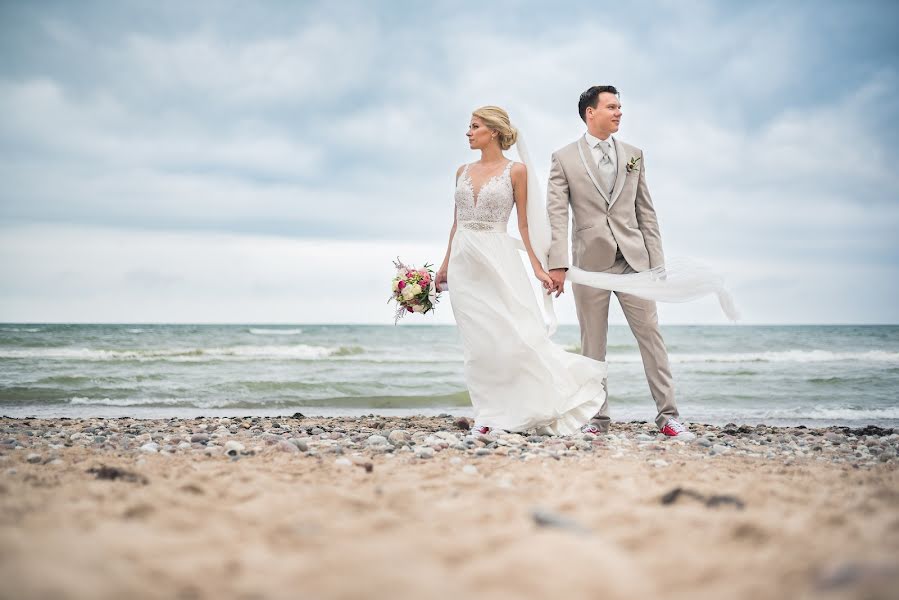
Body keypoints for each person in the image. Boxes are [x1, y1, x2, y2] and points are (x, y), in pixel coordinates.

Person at [435, 106, 607, 436]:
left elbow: (524, 225)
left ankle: (530, 404)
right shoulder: (461, 171)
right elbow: (455, 223)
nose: (468, 133)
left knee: (513, 338)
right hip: (463, 264)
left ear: (494, 132)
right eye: (468, 126)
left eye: (474, 126)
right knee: (477, 344)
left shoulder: (517, 171)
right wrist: (443, 267)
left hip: (499, 260)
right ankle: (486, 415)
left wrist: (539, 268)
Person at [546, 85, 695, 439]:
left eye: (620, 107)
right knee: (592, 347)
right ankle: (597, 420)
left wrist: (656, 264)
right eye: (612, 107)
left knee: (652, 340)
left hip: (634, 262)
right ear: (590, 113)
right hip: (589, 266)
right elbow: (555, 215)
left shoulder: (634, 155)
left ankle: (668, 417)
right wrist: (558, 265)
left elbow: (647, 213)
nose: (619, 112)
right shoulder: (563, 158)